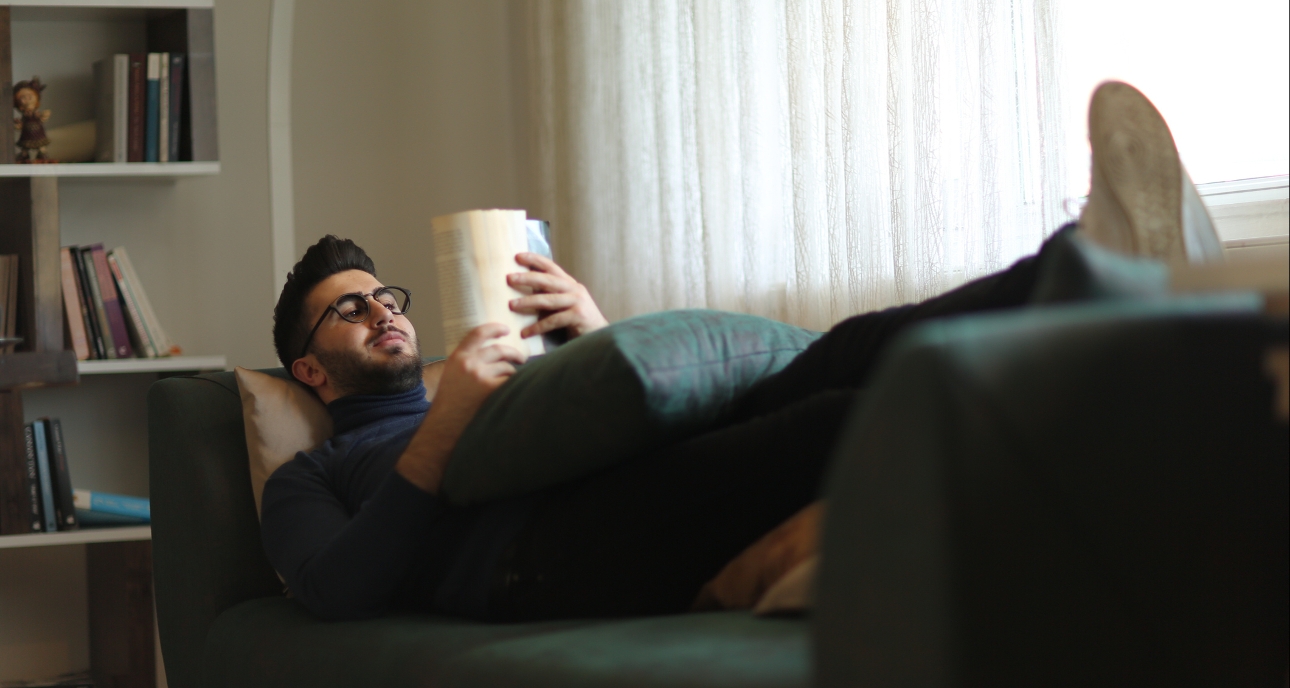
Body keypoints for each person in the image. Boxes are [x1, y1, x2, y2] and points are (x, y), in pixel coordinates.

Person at [260, 81, 1221, 622]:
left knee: (848, 352)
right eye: (350, 312)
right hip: (535, 554)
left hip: (609, 472)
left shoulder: (474, 374)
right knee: (839, 421)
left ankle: (1090, 262)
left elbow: (590, 421)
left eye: (387, 296)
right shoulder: (313, 476)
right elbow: (333, 590)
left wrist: (595, 337)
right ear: (308, 369)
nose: (383, 312)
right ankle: (1102, 392)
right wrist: (442, 437)